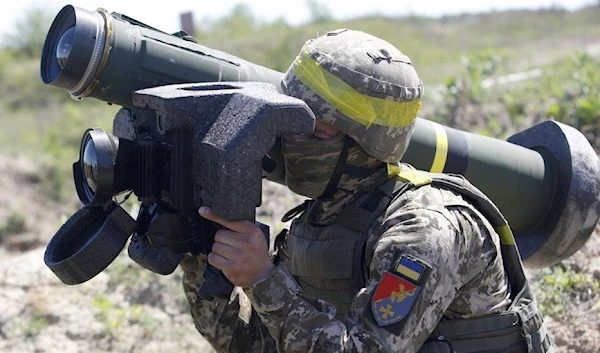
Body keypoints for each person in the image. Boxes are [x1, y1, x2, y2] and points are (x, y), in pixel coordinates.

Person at [180, 29, 553, 353]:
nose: (287, 140)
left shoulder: (424, 230)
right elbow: (260, 345)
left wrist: (263, 280)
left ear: (364, 143)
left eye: (310, 129)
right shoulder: (322, 218)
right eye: (287, 121)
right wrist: (200, 257)